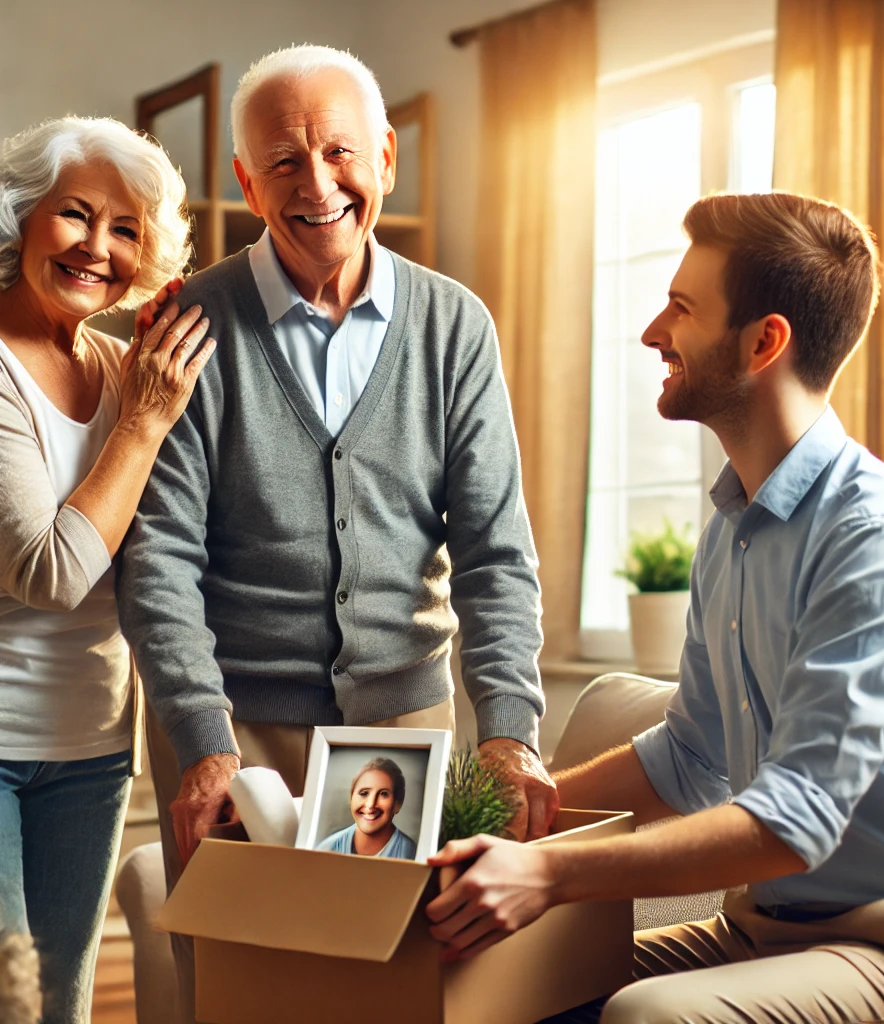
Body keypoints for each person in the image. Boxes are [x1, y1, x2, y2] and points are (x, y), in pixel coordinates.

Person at [425, 192, 884, 1023]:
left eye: (681, 307)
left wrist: (550, 875)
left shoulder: (878, 539)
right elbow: (691, 756)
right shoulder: (735, 528)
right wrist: (522, 816)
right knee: (485, 981)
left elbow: (794, 821)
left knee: (651, 1017)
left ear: (763, 343)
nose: (651, 332)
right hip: (767, 935)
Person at [117, 45, 557, 1022]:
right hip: (239, 738)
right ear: (244, 178)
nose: (318, 185)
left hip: (403, 732)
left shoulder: (455, 327)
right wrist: (200, 739)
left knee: (401, 995)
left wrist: (510, 731)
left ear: (387, 158)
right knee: (243, 995)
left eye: (340, 153)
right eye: (283, 161)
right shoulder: (190, 324)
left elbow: (494, 554)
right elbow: (158, 556)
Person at [0, 116, 215, 1023]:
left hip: (91, 748)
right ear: (20, 219)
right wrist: (143, 424)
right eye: (75, 216)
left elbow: (167, 547)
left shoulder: (118, 365)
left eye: (126, 229)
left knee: (61, 1008)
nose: (99, 247)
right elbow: (48, 570)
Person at [317, 757, 417, 859]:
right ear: (351, 798)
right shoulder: (328, 848)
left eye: (383, 794)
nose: (370, 804)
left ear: (397, 804)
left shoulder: (410, 852)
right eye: (364, 793)